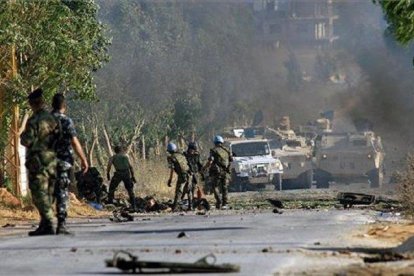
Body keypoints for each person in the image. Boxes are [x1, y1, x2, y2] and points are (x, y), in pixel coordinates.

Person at [21, 88, 59, 236]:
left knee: (38, 192)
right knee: (49, 192)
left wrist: (23, 136)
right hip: (52, 159)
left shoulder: (34, 120)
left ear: (32, 104)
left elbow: (26, 140)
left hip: (38, 160)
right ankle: (44, 224)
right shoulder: (53, 119)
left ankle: (48, 222)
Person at [51, 93, 89, 235]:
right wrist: (83, 159)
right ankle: (61, 224)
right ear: (64, 107)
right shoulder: (66, 121)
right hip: (63, 160)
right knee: (61, 190)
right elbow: (74, 142)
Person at [203, 135, 233, 210]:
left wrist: (204, 168)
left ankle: (219, 201)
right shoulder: (226, 150)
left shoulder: (213, 150)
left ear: (215, 142)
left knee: (215, 186)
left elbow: (210, 161)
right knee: (224, 187)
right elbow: (231, 160)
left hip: (217, 172)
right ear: (222, 142)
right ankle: (225, 203)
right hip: (226, 172)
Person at [106, 145, 137, 210]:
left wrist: (108, 174)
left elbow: (109, 166)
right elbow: (131, 167)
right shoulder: (126, 156)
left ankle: (110, 204)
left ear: (115, 151)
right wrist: (133, 176)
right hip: (126, 173)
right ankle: (134, 206)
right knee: (130, 190)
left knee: (111, 188)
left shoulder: (113, 157)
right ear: (121, 150)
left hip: (118, 174)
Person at [166, 143, 191, 211]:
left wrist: (170, 180)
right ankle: (191, 206)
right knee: (189, 190)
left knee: (178, 191)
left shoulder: (171, 158)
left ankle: (176, 207)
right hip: (189, 173)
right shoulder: (181, 154)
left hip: (182, 175)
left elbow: (172, 170)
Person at [183, 142, 203, 207]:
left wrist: (202, 174)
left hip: (195, 174)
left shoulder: (197, 156)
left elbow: (200, 165)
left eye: (193, 150)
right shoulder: (185, 155)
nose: (192, 151)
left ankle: (193, 203)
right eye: (191, 149)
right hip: (188, 174)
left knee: (193, 189)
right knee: (188, 189)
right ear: (189, 149)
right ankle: (190, 205)